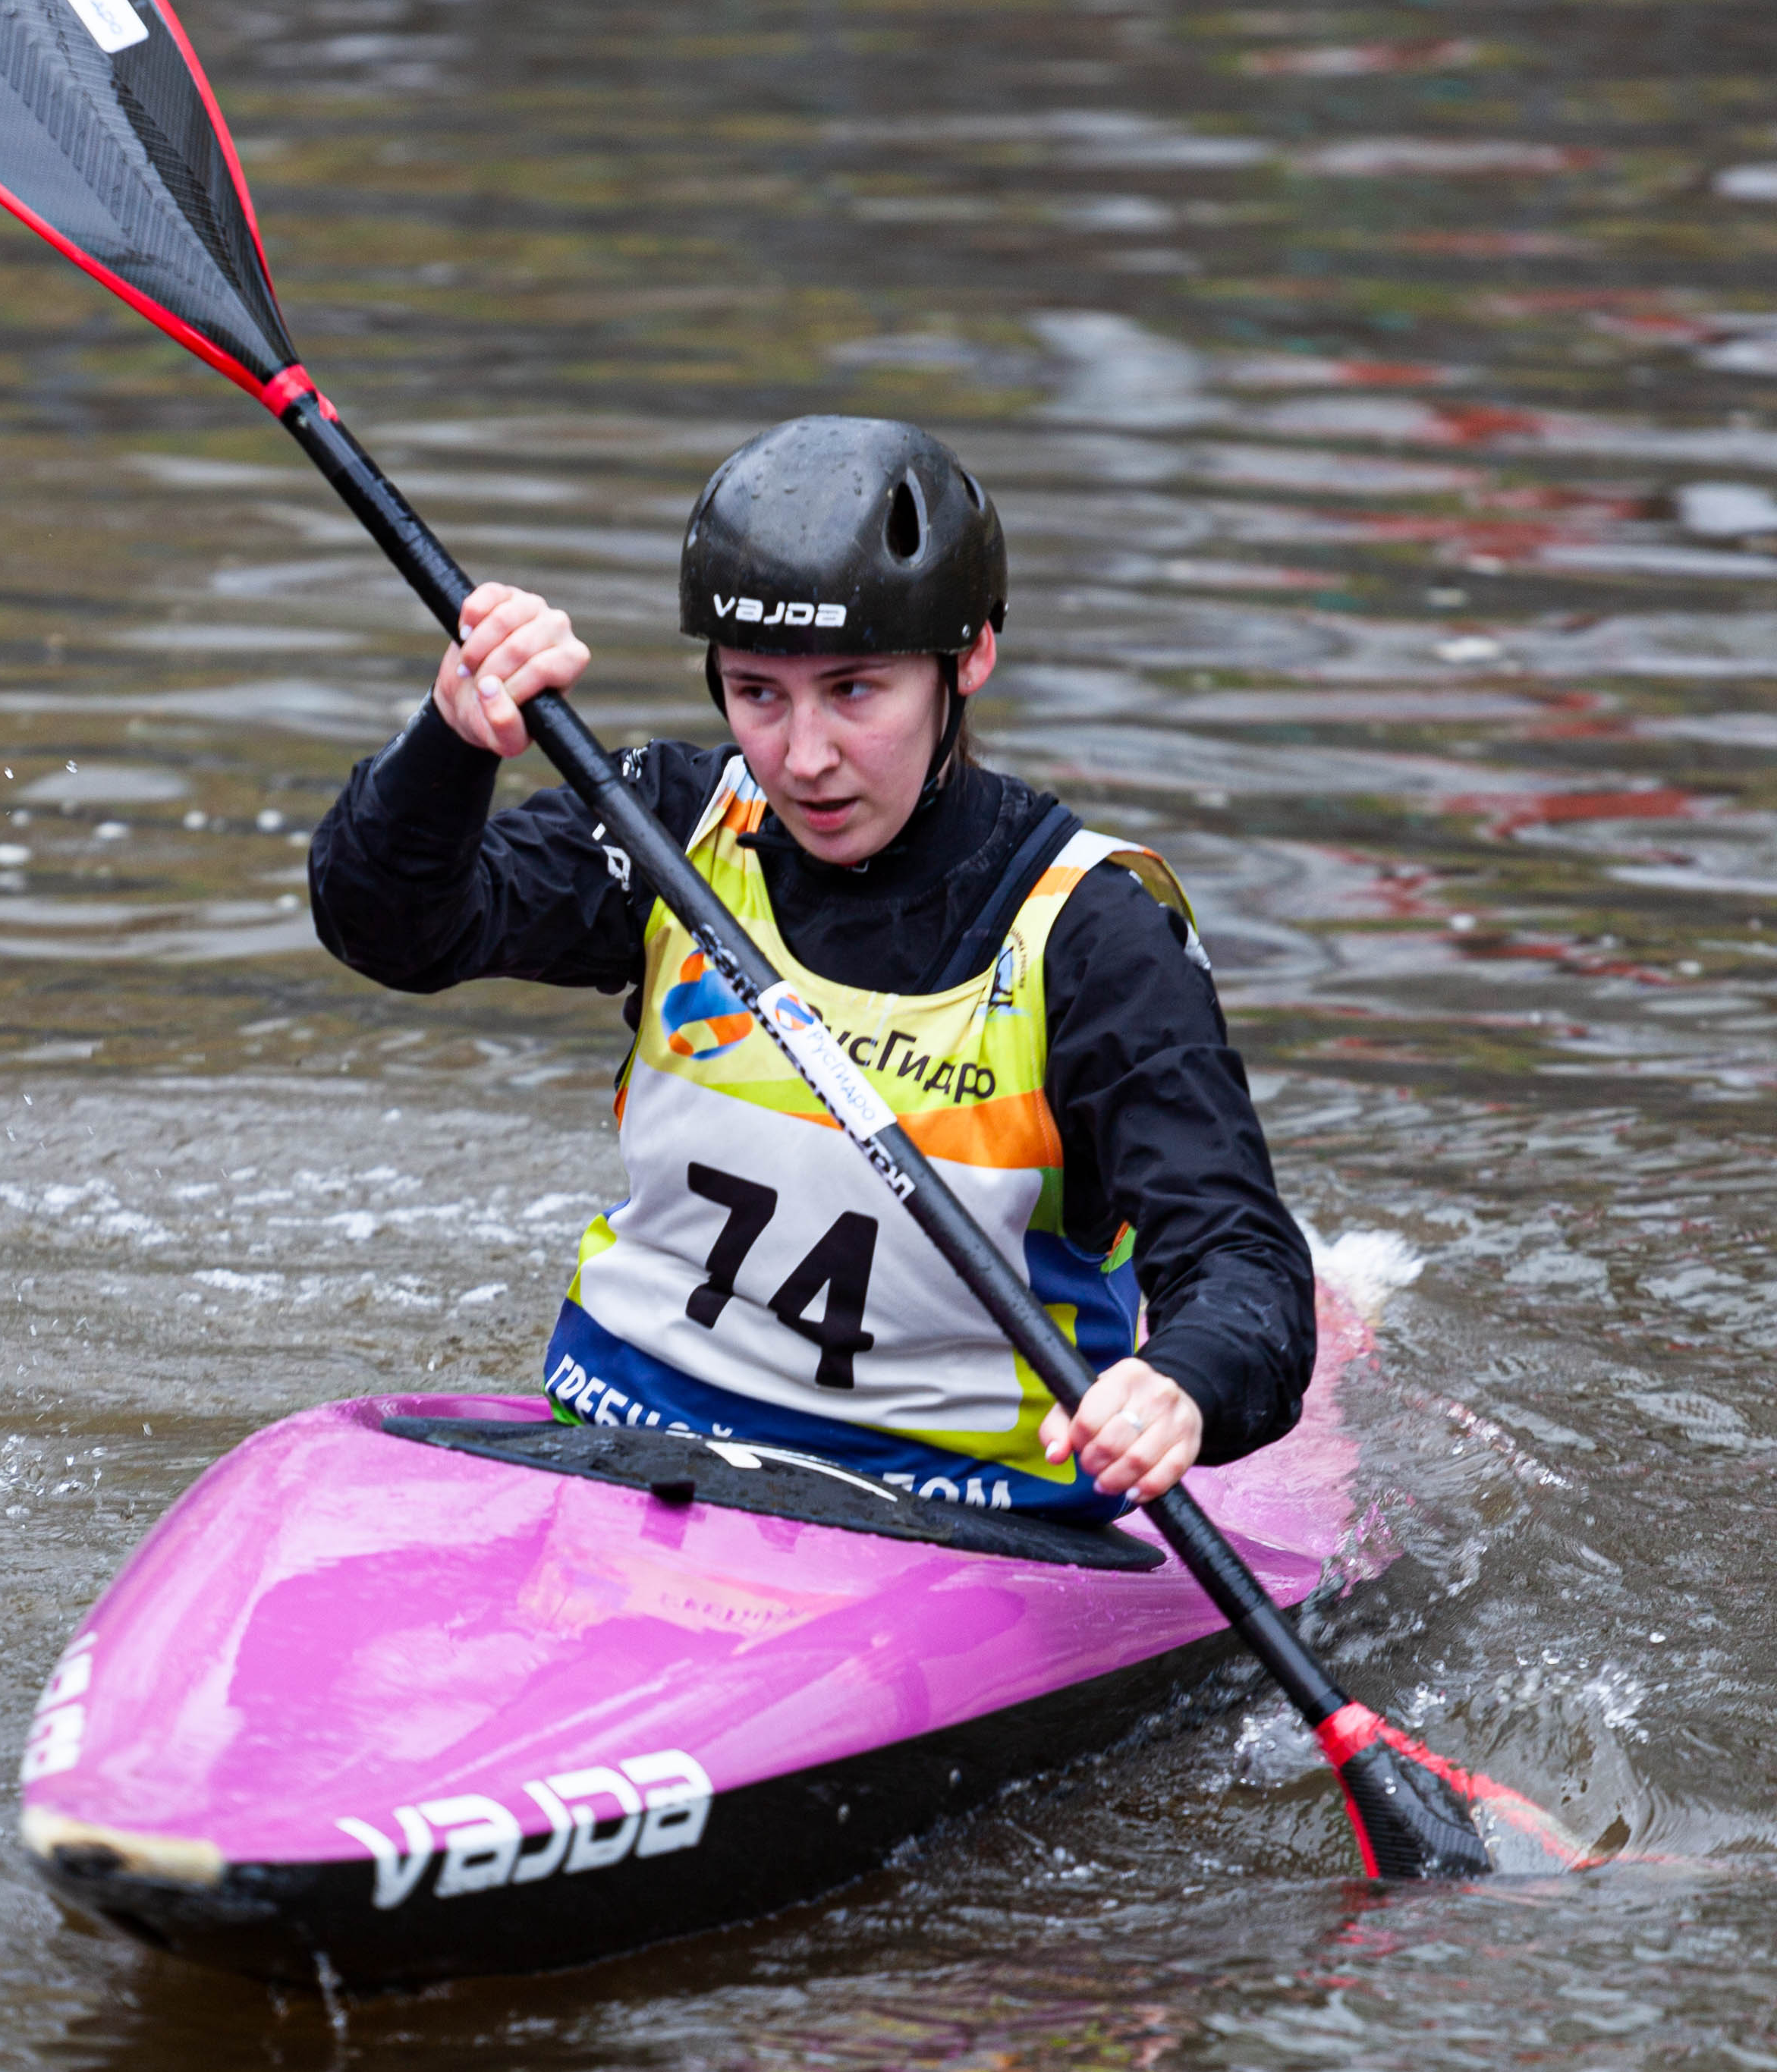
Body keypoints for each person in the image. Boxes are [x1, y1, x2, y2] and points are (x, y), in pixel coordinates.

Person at [307, 416, 1313, 1517]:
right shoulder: (673, 829)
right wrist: (450, 743)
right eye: (758, 694)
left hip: (960, 1514)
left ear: (970, 657)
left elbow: (1242, 1264)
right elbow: (391, 930)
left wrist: (1181, 1383)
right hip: (623, 1451)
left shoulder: (1092, 935)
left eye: (855, 691)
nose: (804, 757)